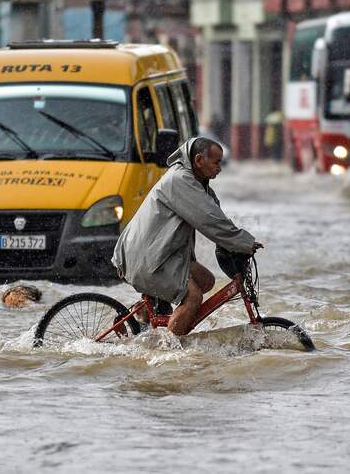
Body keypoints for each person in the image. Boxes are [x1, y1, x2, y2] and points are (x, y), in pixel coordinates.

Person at [112, 137, 262, 336]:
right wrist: (244, 242)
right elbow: (208, 220)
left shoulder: (199, 185)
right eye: (216, 162)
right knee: (193, 297)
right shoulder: (180, 181)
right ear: (199, 160)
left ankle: (141, 315)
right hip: (148, 257)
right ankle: (169, 350)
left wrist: (238, 241)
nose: (220, 168)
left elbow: (218, 217)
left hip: (162, 254)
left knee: (206, 281)